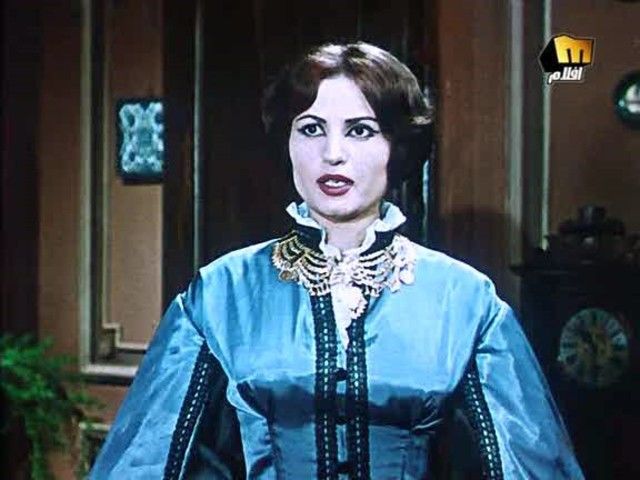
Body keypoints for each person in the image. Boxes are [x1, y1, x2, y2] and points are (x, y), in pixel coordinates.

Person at [90, 42, 584, 479]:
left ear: (397, 147)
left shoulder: (466, 302)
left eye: (360, 131)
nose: (332, 154)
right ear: (287, 144)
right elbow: (147, 462)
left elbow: (524, 464)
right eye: (310, 129)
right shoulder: (220, 295)